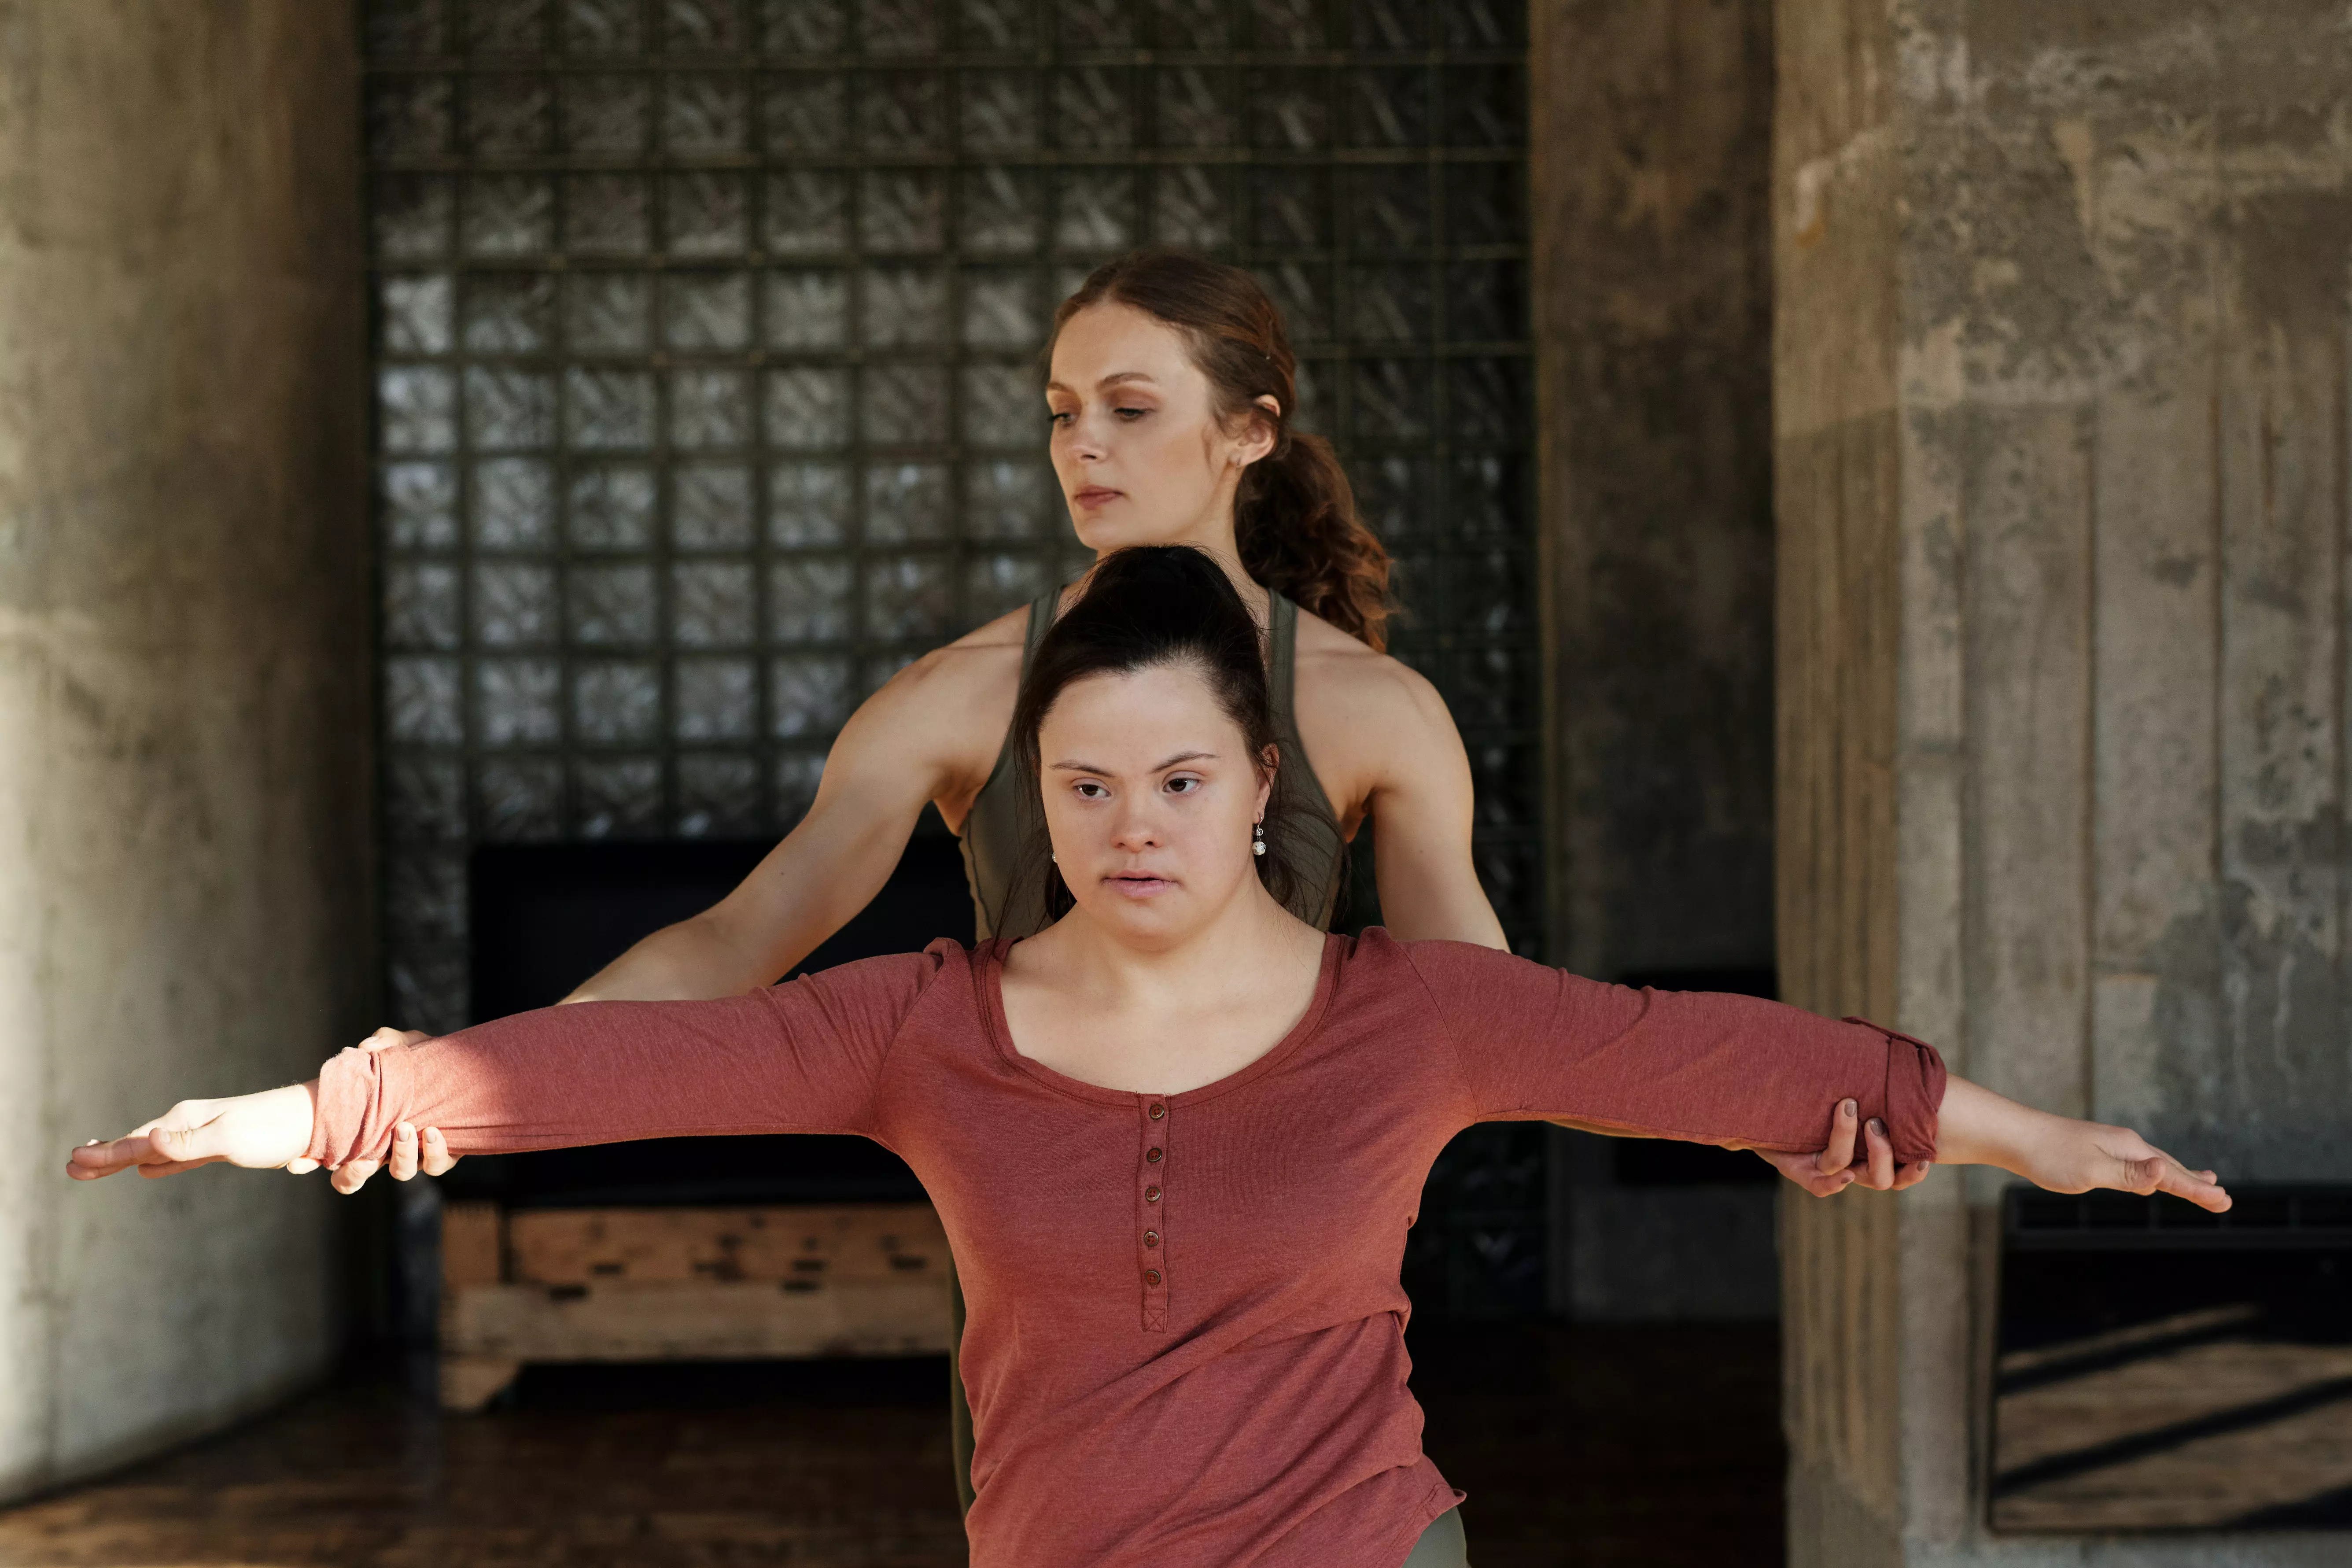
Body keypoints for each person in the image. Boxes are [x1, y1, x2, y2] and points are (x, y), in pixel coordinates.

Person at [73, 548, 2229, 1568]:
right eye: (1086, 787)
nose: (1132, 830)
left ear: (1264, 778)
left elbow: (1707, 1055)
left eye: (1179, 781)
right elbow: (604, 1072)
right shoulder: (926, 1025)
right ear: (1038, 793)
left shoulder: (1414, 1009)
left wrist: (2047, 1139)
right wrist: (300, 1112)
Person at [347, 249, 1920, 1505]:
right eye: (1056, 412)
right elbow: (733, 943)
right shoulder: (957, 699)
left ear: (1249, 430)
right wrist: (522, 1081)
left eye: (1126, 408)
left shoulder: (1377, 712)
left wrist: (1753, 1110)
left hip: (1294, 1300)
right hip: (1051, 1314)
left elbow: (1499, 1020)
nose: (1079, 446)